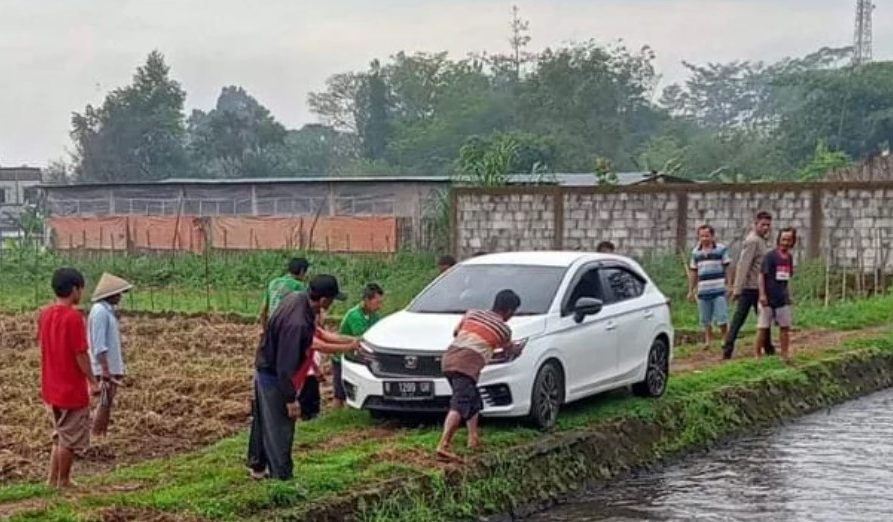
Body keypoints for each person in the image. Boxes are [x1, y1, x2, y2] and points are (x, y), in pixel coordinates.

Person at [247, 275, 349, 480]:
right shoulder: (298, 323)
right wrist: (291, 399)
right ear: (323, 300)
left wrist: (352, 342)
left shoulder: (296, 299)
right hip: (275, 377)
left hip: (264, 368)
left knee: (263, 421)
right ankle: (281, 478)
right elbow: (286, 365)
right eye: (331, 299)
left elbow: (318, 337)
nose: (331, 304)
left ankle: (258, 467)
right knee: (280, 428)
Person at [436, 289, 523, 463]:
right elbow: (509, 350)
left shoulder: (472, 313)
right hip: (466, 366)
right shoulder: (504, 329)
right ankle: (444, 444)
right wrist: (518, 349)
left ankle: (473, 438)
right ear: (509, 311)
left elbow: (456, 333)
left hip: (448, 359)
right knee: (459, 404)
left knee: (473, 400)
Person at [38, 267, 98, 489]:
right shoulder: (74, 318)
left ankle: (52, 479)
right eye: (81, 289)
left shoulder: (45, 314)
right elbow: (80, 353)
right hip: (70, 388)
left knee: (59, 434)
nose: (81, 293)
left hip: (50, 386)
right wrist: (92, 380)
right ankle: (63, 480)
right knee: (70, 438)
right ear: (74, 289)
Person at [722, 211, 776, 360]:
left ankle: (768, 347)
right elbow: (743, 265)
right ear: (755, 224)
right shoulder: (753, 241)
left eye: (768, 225)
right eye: (763, 225)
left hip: (760, 287)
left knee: (763, 318)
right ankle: (728, 347)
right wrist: (737, 289)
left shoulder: (761, 241)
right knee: (740, 319)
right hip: (750, 288)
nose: (766, 228)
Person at [87, 273, 133, 437]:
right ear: (110, 295)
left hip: (108, 365)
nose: (120, 297)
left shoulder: (106, 311)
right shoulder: (100, 311)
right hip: (104, 367)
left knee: (107, 401)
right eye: (118, 294)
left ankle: (101, 432)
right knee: (104, 401)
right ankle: (97, 433)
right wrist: (106, 370)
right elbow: (99, 345)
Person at [334, 283, 385, 408]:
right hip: (344, 356)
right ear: (367, 300)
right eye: (377, 302)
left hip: (358, 356)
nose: (379, 306)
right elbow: (363, 338)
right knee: (340, 393)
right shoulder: (354, 315)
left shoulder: (374, 315)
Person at [687, 226, 732, 351]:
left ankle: (725, 339)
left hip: (719, 289)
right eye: (701, 236)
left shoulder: (721, 249)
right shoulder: (695, 252)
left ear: (712, 236)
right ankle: (708, 340)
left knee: (722, 316)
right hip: (703, 289)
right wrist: (691, 290)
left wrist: (729, 285)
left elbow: (728, 267)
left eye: (707, 236)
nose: (704, 238)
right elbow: (693, 272)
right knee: (705, 319)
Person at [757, 228, 797, 362]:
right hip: (768, 298)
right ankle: (758, 354)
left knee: (785, 327)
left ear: (793, 242)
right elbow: (762, 275)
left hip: (782, 298)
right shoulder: (770, 256)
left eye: (789, 240)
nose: (785, 243)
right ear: (779, 240)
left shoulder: (789, 258)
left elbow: (787, 279)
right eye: (783, 239)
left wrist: (788, 295)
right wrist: (762, 294)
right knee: (763, 327)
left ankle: (785, 354)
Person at [258, 257, 310, 333]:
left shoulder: (273, 282)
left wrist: (264, 329)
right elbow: (305, 310)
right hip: (288, 325)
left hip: (272, 323)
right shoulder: (299, 286)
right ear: (302, 271)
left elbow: (263, 310)